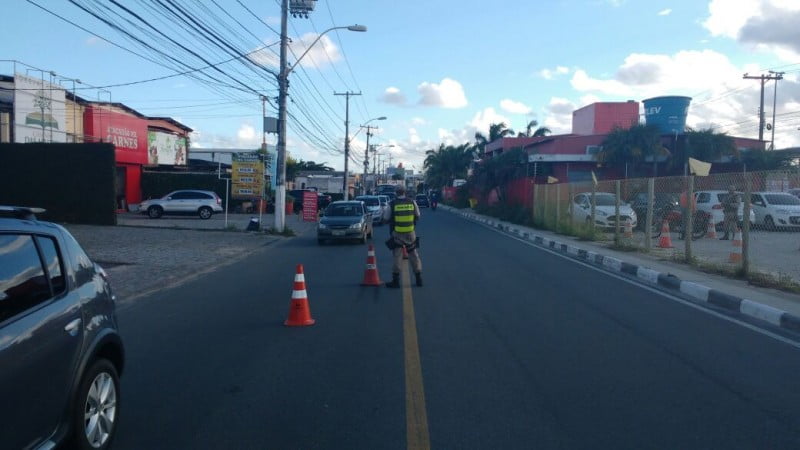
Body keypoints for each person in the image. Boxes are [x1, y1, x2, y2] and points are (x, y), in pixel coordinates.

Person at [383, 186, 423, 287]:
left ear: (396, 193)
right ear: (405, 192)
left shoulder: (392, 204)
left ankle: (395, 281)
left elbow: (386, 218)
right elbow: (418, 216)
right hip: (410, 233)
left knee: (397, 256)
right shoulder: (412, 202)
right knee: (414, 255)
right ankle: (419, 279)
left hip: (398, 234)